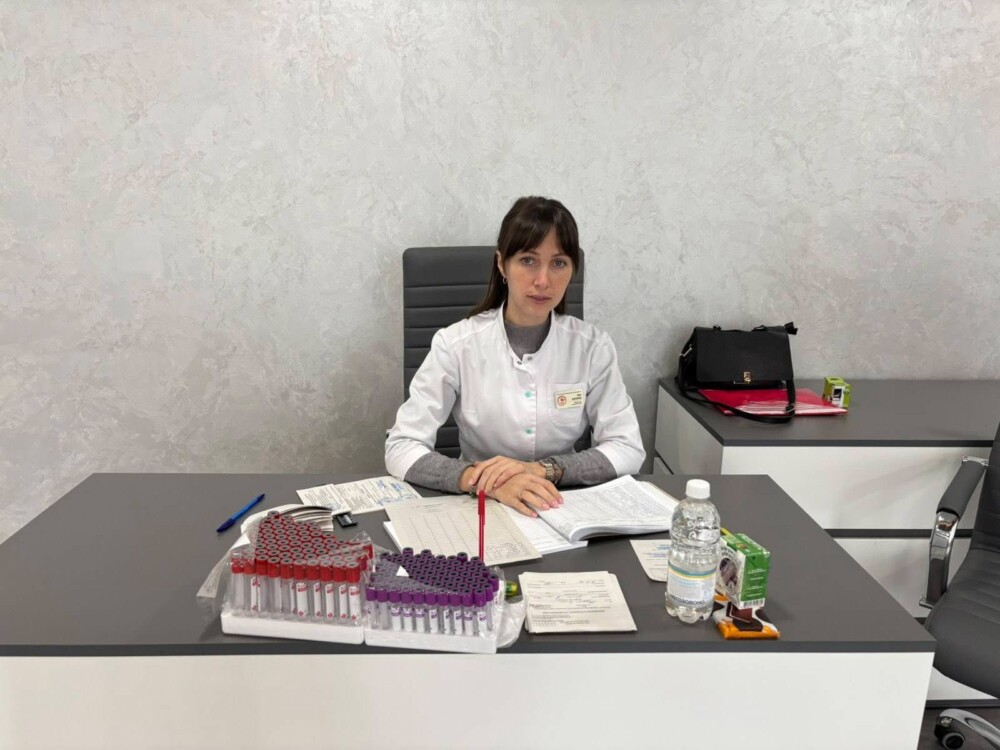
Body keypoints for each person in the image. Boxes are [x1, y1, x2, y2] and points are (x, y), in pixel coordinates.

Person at [385, 196, 644, 517]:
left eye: (558, 263)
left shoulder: (592, 347)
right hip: (478, 504)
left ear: (573, 270)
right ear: (501, 264)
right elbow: (401, 447)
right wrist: (484, 481)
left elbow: (627, 447)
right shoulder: (455, 344)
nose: (543, 280)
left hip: (561, 504)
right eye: (528, 260)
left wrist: (542, 470)